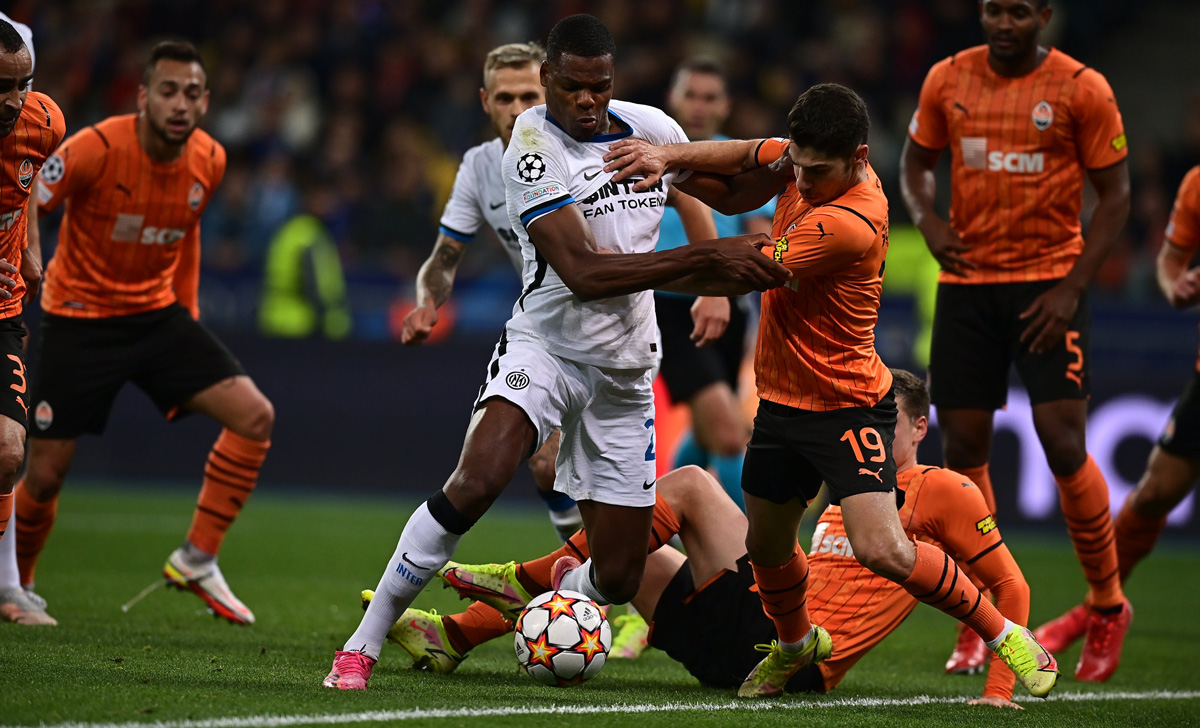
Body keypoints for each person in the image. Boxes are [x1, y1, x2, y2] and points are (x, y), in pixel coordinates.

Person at [322, 13, 790, 690]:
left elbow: (731, 190)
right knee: (479, 478)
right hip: (547, 348)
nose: (588, 101)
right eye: (573, 86)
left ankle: (553, 590)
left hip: (625, 371)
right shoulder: (531, 148)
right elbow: (584, 273)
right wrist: (707, 260)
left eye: (600, 86)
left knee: (620, 575)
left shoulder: (650, 128)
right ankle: (360, 646)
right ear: (548, 79)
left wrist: (788, 159)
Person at [602, 82, 1057, 699]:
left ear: (859, 157)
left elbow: (739, 271)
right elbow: (743, 163)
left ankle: (1005, 635)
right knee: (766, 546)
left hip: (845, 405)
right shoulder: (806, 161)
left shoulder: (850, 222)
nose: (802, 179)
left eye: (816, 172)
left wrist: (627, 271)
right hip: (780, 402)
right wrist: (667, 158)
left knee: (882, 548)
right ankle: (794, 646)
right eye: (797, 163)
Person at [366, 370, 1032, 708]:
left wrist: (998, 694)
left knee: (688, 487)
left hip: (795, 659)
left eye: (889, 422)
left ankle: (518, 581)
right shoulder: (851, 487)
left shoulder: (942, 489)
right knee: (625, 557)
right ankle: (454, 638)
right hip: (743, 644)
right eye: (869, 418)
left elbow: (1010, 584)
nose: (873, 432)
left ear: (920, 428)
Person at [396, 43, 721, 544]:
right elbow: (444, 256)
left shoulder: (589, 142)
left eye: (527, 96)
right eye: (504, 98)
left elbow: (686, 195)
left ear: (547, 90)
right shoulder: (480, 167)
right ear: (485, 101)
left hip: (619, 330)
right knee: (543, 469)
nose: (516, 109)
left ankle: (602, 572)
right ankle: (583, 575)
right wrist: (426, 303)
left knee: (603, 503)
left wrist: (714, 288)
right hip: (550, 328)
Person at [898, 0, 1132, 682]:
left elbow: (1116, 196)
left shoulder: (1082, 88)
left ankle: (1107, 605)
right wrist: (928, 220)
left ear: (1045, 15)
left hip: (1050, 284)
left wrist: (1073, 287)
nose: (1004, 23)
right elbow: (915, 164)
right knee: (964, 448)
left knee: (1063, 442)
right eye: (994, 10)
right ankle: (984, 619)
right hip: (968, 286)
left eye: (1019, 12)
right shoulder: (946, 78)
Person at [14, 41, 274, 626]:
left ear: (206, 102)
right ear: (142, 97)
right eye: (168, 91)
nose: (180, 104)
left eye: (192, 93)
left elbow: (187, 232)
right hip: (78, 319)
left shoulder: (210, 159)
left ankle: (197, 557)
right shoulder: (97, 148)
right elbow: (27, 195)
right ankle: (17, 584)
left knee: (255, 417)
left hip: (156, 317)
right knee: (46, 475)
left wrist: (189, 311)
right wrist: (25, 265)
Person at [1036, 164, 1200, 651]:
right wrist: (1176, 285)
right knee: (1154, 493)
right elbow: (1170, 263)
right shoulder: (1195, 184)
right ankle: (1098, 608)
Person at [654, 58, 774, 512]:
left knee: (707, 436)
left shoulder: (741, 162)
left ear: (725, 105)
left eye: (709, 97)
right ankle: (748, 550)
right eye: (691, 95)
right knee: (727, 433)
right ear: (673, 98)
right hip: (666, 308)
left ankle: (660, 527)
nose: (699, 106)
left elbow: (765, 241)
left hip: (731, 309)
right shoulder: (648, 155)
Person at [0, 18, 65, 626]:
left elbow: (30, 185)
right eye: (3, 85)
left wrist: (31, 247)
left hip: (4, 309)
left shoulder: (43, 121)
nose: (15, 98)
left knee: (7, 449)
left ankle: (6, 586)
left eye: (24, 83)